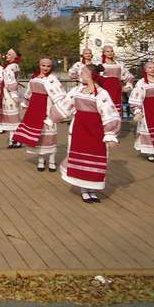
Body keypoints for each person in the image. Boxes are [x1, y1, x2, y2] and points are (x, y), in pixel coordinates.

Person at [49, 64, 120, 204]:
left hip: (96, 129)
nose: (80, 75)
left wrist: (110, 133)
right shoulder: (77, 90)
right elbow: (66, 105)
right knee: (80, 154)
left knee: (96, 156)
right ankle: (84, 190)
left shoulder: (102, 93)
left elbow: (109, 113)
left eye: (82, 73)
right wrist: (52, 118)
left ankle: (92, 189)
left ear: (90, 75)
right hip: (80, 128)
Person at [12, 58, 66, 172]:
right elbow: (28, 94)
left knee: (50, 136)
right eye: (43, 65)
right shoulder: (34, 79)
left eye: (48, 66)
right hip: (34, 111)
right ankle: (41, 160)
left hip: (48, 110)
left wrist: (59, 112)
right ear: (39, 65)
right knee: (39, 137)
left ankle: (51, 160)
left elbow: (61, 96)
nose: (45, 68)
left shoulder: (52, 79)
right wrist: (24, 105)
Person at [99, 45, 135, 116]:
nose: (110, 53)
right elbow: (97, 78)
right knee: (105, 112)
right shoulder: (101, 65)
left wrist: (128, 86)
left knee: (116, 112)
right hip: (104, 91)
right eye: (107, 51)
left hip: (117, 90)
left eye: (111, 51)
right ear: (104, 53)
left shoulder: (119, 65)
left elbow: (129, 76)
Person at [0, 48, 23, 148]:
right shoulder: (15, 65)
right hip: (10, 92)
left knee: (13, 119)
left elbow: (11, 83)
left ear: (13, 56)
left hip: (9, 94)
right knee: (13, 119)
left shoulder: (10, 67)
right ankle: (13, 140)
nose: (6, 56)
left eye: (9, 54)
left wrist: (14, 95)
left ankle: (16, 140)